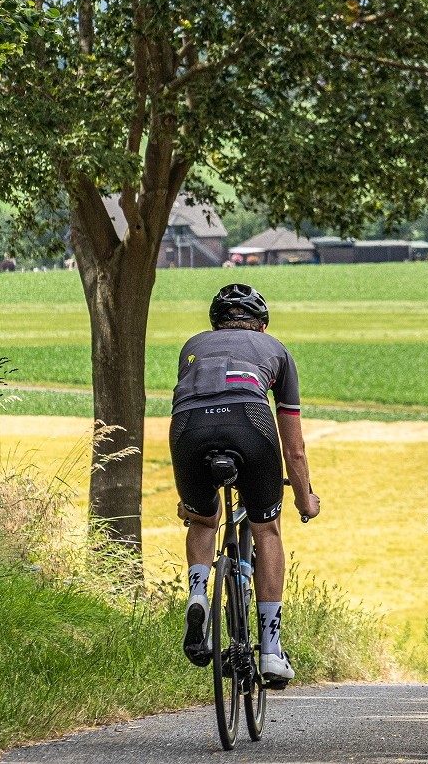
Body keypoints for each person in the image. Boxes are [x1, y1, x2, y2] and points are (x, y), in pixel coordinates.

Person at [171, 283, 320, 685]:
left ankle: (199, 593)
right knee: (266, 528)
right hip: (249, 422)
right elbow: (295, 448)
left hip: (189, 429)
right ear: (264, 326)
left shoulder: (192, 347)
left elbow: (187, 407)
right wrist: (305, 499)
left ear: (214, 325)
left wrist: (188, 499)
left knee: (203, 520)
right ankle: (271, 650)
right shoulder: (278, 351)